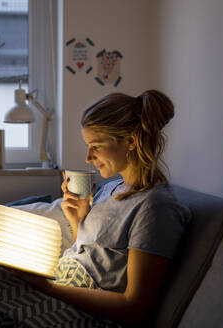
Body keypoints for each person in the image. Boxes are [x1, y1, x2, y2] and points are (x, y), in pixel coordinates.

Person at [18, 90, 190, 323]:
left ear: (131, 141)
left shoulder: (155, 207)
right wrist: (77, 219)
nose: (88, 157)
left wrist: (46, 288)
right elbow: (96, 256)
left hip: (75, 308)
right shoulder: (112, 188)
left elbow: (134, 306)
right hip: (59, 283)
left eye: (96, 146)